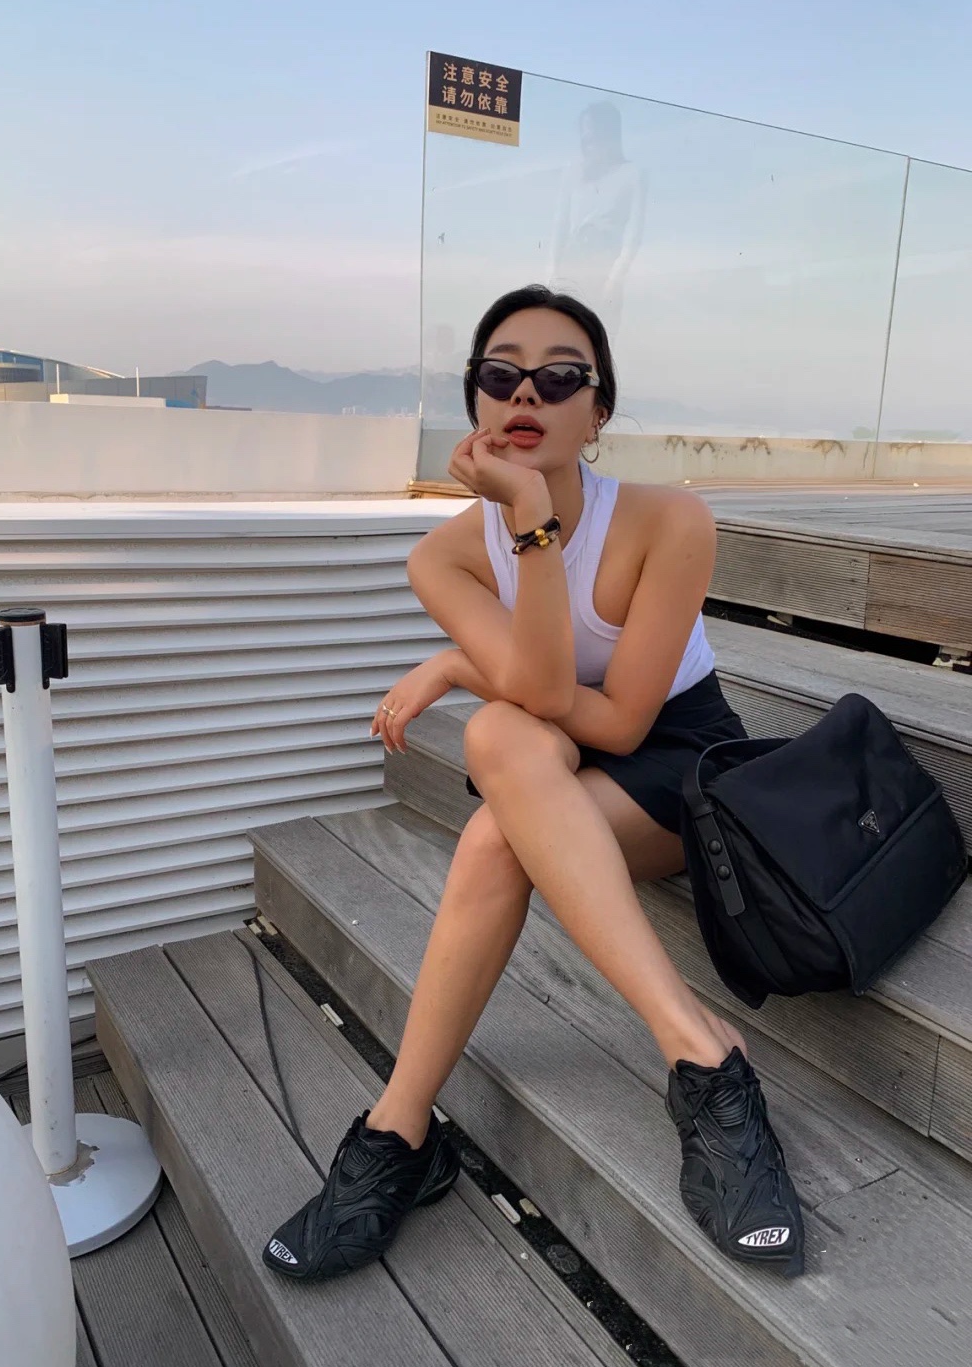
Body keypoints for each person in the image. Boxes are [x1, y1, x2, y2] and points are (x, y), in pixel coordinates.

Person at [262, 285, 804, 1283]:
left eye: (560, 377)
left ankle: (400, 1132)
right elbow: (546, 696)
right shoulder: (441, 557)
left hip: (677, 766)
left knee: (496, 813)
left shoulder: (669, 520)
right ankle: (698, 1055)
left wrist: (468, 648)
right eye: (500, 373)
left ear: (598, 412)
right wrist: (519, 541)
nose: (527, 394)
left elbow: (620, 720)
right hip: (550, 757)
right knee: (506, 734)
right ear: (474, 400)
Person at [549, 101, 646, 340]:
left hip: (606, 263)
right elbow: (560, 228)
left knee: (601, 339)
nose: (587, 139)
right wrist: (552, 274)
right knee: (562, 337)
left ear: (609, 134)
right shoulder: (572, 172)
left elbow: (633, 235)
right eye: (584, 133)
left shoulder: (632, 173)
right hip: (572, 261)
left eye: (593, 132)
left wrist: (614, 279)